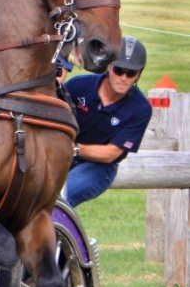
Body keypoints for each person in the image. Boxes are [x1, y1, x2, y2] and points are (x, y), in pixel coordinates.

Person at [63, 37, 152, 208]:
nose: (124, 78)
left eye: (131, 73)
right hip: (62, 157)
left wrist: (73, 148)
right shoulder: (77, 86)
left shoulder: (141, 108)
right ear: (108, 67)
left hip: (99, 167)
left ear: (139, 74)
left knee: (62, 196)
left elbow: (110, 154)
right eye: (119, 70)